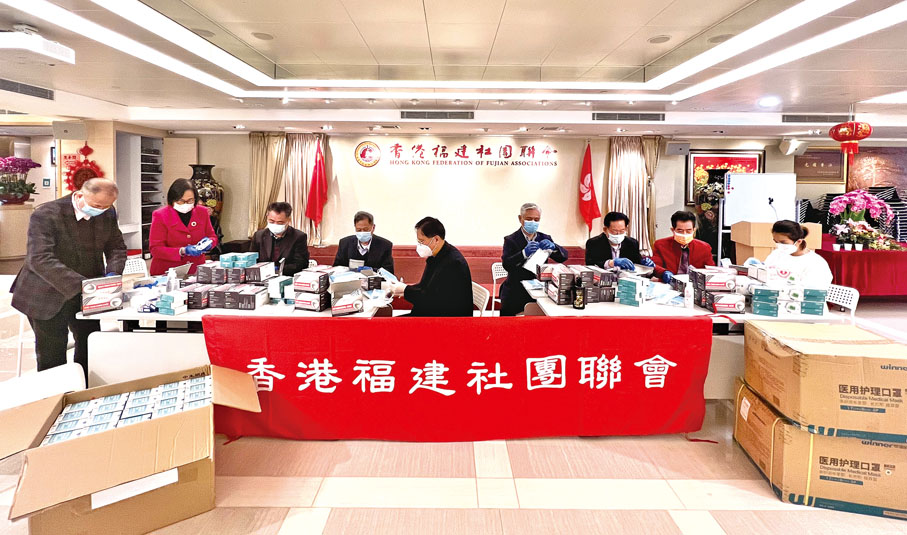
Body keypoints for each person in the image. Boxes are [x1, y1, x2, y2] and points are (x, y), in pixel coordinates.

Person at [10, 178, 126, 377]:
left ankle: (85, 388)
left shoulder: (107, 212)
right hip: (46, 292)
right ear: (79, 195)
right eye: (96, 205)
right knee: (52, 354)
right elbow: (40, 259)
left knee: (90, 343)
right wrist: (85, 285)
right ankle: (56, 392)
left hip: (88, 292)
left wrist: (112, 275)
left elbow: (116, 247)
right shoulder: (46, 214)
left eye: (106, 206)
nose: (100, 210)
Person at [391, 217, 473, 316]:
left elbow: (431, 300)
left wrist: (405, 290)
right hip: (434, 311)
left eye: (422, 241)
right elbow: (425, 287)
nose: (419, 245)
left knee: (389, 324)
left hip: (447, 319)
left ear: (436, 239)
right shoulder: (437, 256)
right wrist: (403, 289)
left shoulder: (453, 263)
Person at [500, 203, 568, 316]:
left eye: (536, 220)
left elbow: (563, 257)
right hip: (516, 290)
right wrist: (523, 253)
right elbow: (507, 265)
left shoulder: (545, 238)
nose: (533, 222)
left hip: (539, 289)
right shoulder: (511, 240)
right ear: (520, 219)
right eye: (529, 219)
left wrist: (554, 247)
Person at [149, 179, 217, 275]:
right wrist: (182, 251)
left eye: (190, 200)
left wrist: (209, 243)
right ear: (173, 200)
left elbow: (212, 236)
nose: (186, 204)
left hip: (195, 270)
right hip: (168, 271)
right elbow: (156, 249)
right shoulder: (160, 215)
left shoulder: (202, 212)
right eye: (181, 201)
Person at [763, 220, 833, 288]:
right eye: (776, 242)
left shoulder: (815, 263)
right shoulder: (776, 254)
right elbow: (764, 274)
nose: (779, 245)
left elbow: (813, 291)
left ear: (799, 241)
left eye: (783, 242)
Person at [652, 210, 715, 283]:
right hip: (670, 283)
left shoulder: (704, 247)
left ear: (694, 230)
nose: (684, 234)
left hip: (695, 285)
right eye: (680, 231)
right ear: (673, 230)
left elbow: (711, 271)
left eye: (688, 231)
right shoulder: (660, 245)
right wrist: (663, 273)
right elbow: (655, 266)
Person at [250, 202, 310, 276]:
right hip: (262, 277)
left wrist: (276, 270)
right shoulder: (258, 236)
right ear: (267, 217)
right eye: (271, 221)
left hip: (287, 277)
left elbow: (301, 264)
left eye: (280, 222)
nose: (275, 224)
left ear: (288, 220)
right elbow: (251, 260)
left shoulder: (299, 237)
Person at [585, 211, 650, 270]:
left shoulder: (632, 243)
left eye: (622, 231)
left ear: (626, 229)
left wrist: (644, 263)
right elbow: (590, 265)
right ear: (605, 229)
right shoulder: (594, 243)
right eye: (614, 231)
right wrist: (611, 263)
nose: (618, 234)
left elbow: (636, 262)